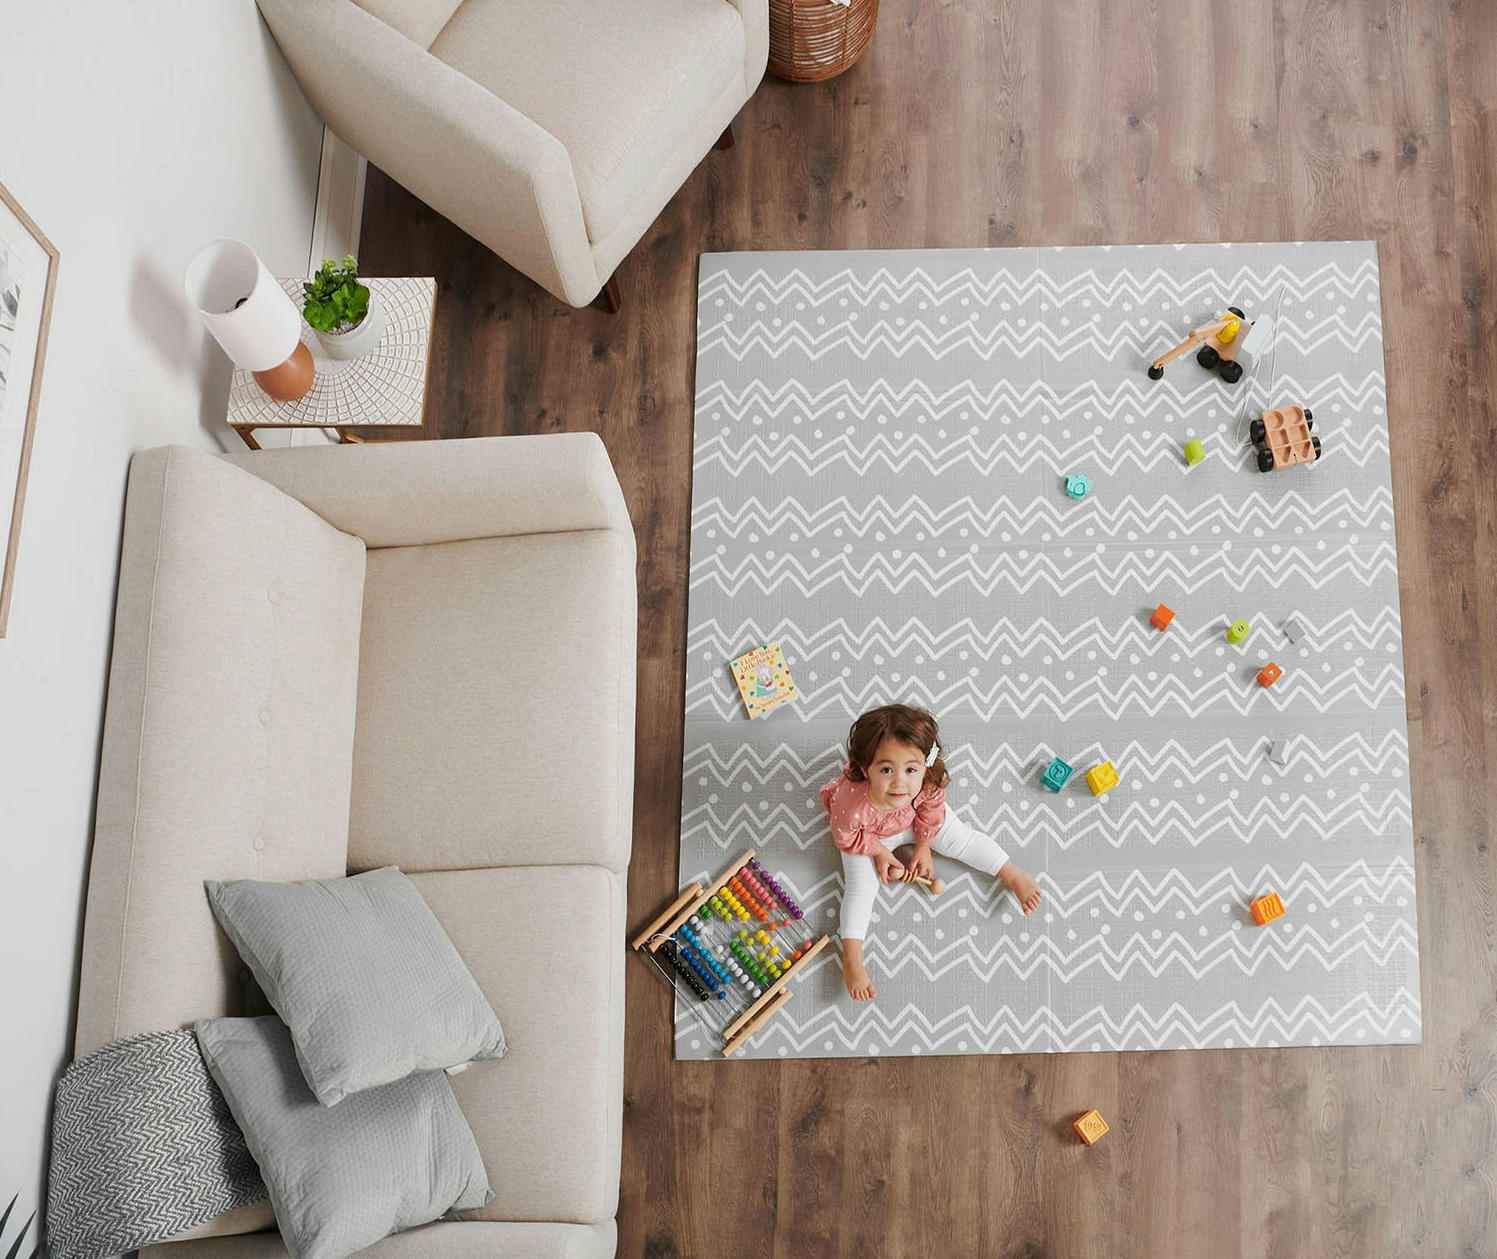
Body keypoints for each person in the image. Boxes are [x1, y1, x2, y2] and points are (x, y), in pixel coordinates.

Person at [821, 704, 1042, 1001]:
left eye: (911, 769)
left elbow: (931, 812)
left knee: (960, 839)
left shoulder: (928, 782)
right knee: (861, 887)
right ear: (865, 769)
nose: (900, 782)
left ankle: (1011, 874)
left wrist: (923, 846)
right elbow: (845, 836)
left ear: (924, 766)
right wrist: (880, 853)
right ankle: (852, 958)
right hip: (867, 834)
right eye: (886, 770)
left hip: (915, 820)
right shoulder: (850, 804)